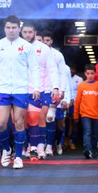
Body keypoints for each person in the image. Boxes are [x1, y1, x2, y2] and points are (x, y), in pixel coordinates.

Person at [0, 15, 41, 169]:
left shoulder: (28, 47)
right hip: (4, 90)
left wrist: (36, 88)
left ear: (19, 29)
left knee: (19, 123)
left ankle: (19, 157)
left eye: (14, 28)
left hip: (21, 90)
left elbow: (34, 68)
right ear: (4, 28)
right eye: (8, 27)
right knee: (1, 124)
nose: (11, 30)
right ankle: (6, 150)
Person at [20, 23, 59, 161]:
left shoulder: (43, 49)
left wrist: (55, 87)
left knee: (40, 118)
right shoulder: (17, 48)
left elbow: (52, 68)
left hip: (43, 89)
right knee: (25, 121)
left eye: (30, 32)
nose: (27, 35)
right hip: (24, 89)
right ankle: (28, 145)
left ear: (35, 33)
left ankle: (38, 147)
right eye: (25, 32)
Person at [74, 64, 98, 159]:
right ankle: (87, 149)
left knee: (95, 133)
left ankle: (93, 150)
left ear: (95, 74)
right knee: (87, 131)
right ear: (85, 74)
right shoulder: (81, 86)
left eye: (92, 73)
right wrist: (76, 114)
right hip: (85, 114)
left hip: (96, 114)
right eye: (88, 73)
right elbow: (77, 101)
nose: (90, 75)